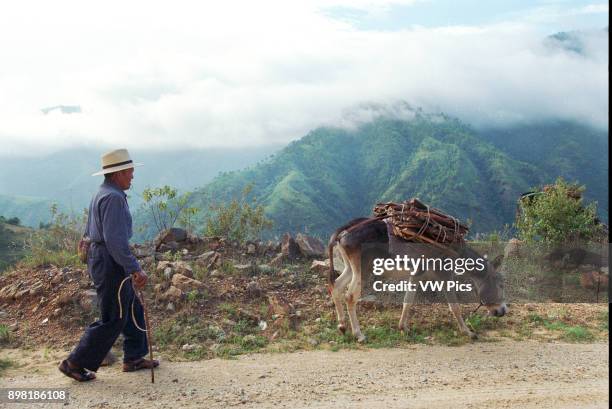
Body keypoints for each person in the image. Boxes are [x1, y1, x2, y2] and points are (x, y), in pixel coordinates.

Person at [59, 148, 158, 381]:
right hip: (110, 261)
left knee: (131, 307)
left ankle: (134, 357)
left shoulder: (103, 193)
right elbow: (115, 241)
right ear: (118, 173)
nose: (132, 176)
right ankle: (74, 362)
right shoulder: (113, 198)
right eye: (130, 172)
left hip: (102, 258)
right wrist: (135, 268)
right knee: (113, 317)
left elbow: (91, 230)